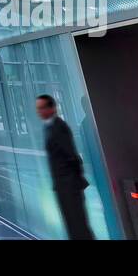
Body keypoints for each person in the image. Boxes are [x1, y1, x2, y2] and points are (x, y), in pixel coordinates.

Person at [36, 93, 94, 240]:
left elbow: (72, 156)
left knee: (78, 226)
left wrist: (73, 181)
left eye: (42, 108)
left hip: (69, 185)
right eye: (38, 108)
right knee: (73, 225)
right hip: (64, 186)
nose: (39, 112)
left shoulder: (58, 127)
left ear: (52, 108)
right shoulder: (49, 128)